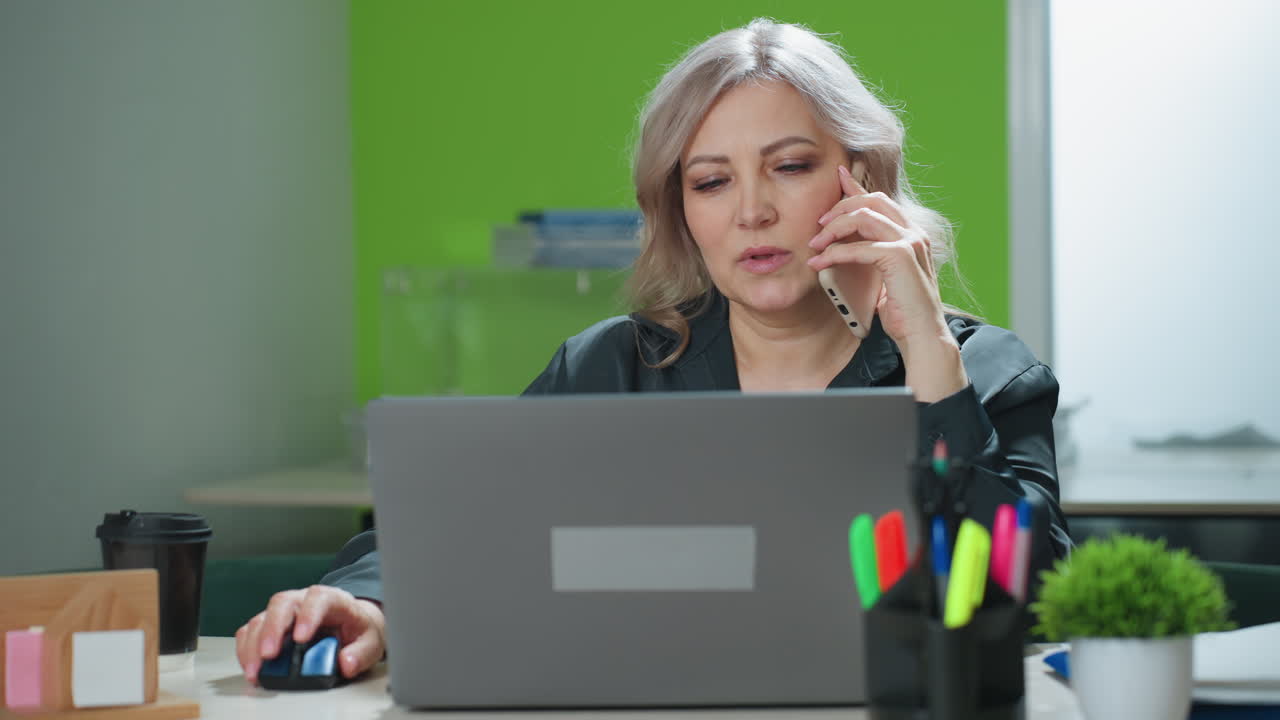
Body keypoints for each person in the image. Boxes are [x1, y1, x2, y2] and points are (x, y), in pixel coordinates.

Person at [235, 17, 1070, 685]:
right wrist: (361, 602)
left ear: (861, 180)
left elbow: (1032, 601)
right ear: (682, 212)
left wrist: (927, 349)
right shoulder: (612, 368)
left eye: (788, 166)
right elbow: (457, 526)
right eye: (711, 181)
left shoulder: (987, 372)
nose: (751, 211)